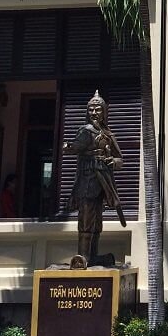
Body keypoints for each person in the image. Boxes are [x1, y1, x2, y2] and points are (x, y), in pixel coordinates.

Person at [60, 91, 125, 261]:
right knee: (86, 218)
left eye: (98, 110)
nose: (94, 113)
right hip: (87, 180)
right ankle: (83, 255)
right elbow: (75, 147)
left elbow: (120, 159)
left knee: (97, 221)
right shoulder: (85, 131)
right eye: (91, 110)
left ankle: (93, 255)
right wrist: (68, 146)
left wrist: (113, 161)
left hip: (103, 181)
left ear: (104, 112)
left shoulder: (108, 134)